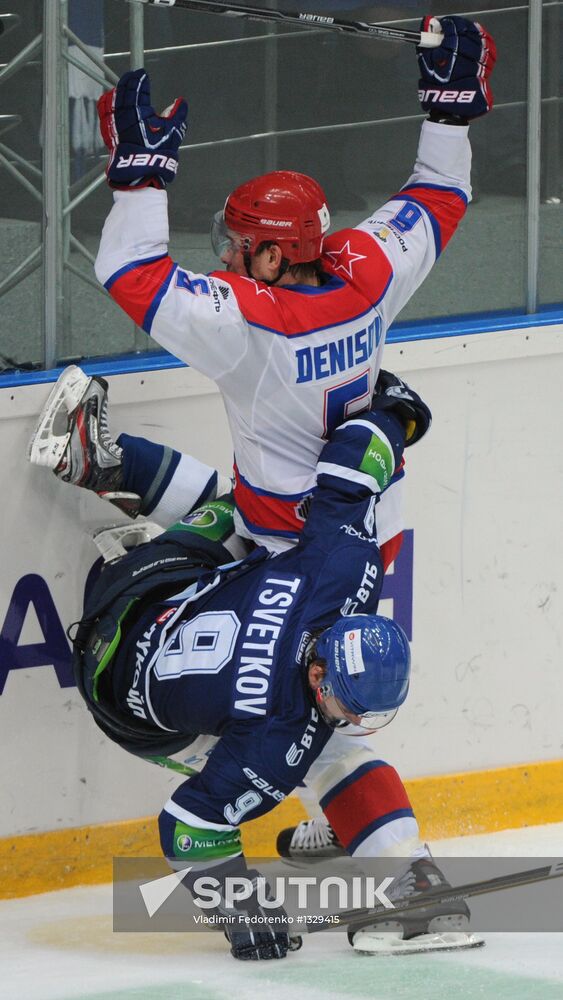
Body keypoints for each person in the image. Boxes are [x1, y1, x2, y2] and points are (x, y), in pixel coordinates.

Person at [29, 12, 495, 955]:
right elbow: (437, 195)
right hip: (358, 517)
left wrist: (140, 177)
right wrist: (449, 105)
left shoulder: (248, 320)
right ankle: (106, 462)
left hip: (302, 541)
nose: (229, 257)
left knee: (326, 726)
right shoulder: (366, 269)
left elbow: (128, 267)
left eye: (240, 245)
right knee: (225, 521)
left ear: (275, 256)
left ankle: (406, 889)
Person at [70, 393, 414, 961]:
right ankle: (392, 857)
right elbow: (186, 825)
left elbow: (349, 471)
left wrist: (392, 416)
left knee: (245, 510)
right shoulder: (273, 744)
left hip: (138, 596)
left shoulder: (342, 569)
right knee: (335, 751)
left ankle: (106, 458)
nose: (359, 715)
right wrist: (240, 911)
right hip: (119, 706)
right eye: (352, 700)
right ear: (323, 668)